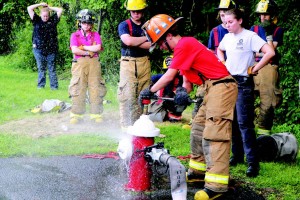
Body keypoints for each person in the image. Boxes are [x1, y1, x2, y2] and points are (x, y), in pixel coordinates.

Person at [140, 14, 238, 200]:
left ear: (168, 36)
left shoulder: (185, 44)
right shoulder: (182, 51)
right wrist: (181, 93)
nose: (160, 47)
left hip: (222, 86)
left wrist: (150, 91)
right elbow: (187, 84)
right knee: (198, 129)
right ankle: (198, 172)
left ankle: (216, 185)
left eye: (160, 43)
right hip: (209, 87)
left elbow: (169, 76)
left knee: (214, 133)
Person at [217, 8, 275, 177]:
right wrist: (223, 62)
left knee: (244, 123)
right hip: (229, 82)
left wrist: (255, 68)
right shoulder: (227, 37)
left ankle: (253, 163)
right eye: (225, 22)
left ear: (240, 21)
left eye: (230, 22)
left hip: (243, 82)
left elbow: (270, 52)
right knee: (232, 121)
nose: (227, 25)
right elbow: (219, 49)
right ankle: (237, 155)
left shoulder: (250, 36)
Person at [250, 0, 284, 135]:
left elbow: (271, 52)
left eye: (266, 15)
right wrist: (262, 52)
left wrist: (269, 35)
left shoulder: (278, 30)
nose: (263, 18)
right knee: (248, 97)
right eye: (261, 14)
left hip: (269, 66)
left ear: (272, 15)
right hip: (253, 65)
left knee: (268, 100)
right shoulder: (254, 29)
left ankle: (264, 133)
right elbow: (251, 49)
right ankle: (248, 129)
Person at [117, 0, 151, 131]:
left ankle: (140, 126)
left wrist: (136, 41)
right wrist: (145, 38)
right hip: (128, 62)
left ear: (143, 11)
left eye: (138, 11)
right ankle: (126, 126)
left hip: (144, 62)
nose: (136, 14)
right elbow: (128, 41)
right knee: (127, 94)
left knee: (143, 94)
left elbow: (151, 45)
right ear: (129, 11)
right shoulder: (124, 25)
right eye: (133, 11)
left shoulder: (148, 25)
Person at [68, 9, 107, 124]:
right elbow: (75, 50)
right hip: (79, 64)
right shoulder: (74, 35)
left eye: (89, 23)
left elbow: (98, 48)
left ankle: (96, 114)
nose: (86, 25)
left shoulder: (96, 35)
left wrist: (83, 47)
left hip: (94, 64)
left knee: (96, 88)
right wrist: (88, 51)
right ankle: (76, 114)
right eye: (84, 22)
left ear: (92, 24)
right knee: (78, 87)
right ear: (79, 23)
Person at [27, 3, 63, 90]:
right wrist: (40, 4)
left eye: (47, 16)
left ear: (49, 15)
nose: (45, 18)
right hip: (38, 49)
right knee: (41, 68)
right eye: (44, 16)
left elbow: (60, 10)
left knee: (52, 69)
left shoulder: (53, 20)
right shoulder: (36, 20)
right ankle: (40, 86)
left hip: (52, 49)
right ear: (40, 15)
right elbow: (29, 8)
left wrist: (48, 7)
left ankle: (54, 87)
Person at [147, 55, 186, 122]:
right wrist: (153, 89)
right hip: (162, 101)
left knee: (182, 98)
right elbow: (149, 80)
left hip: (175, 102)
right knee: (154, 117)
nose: (170, 73)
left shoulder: (182, 78)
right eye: (167, 71)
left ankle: (175, 114)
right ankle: (166, 114)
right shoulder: (161, 77)